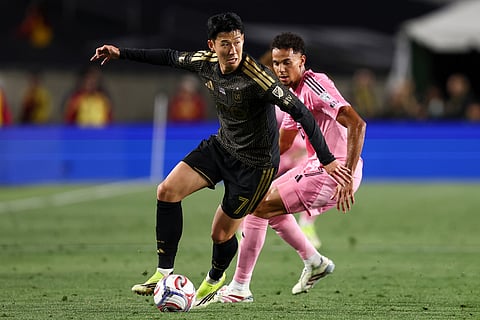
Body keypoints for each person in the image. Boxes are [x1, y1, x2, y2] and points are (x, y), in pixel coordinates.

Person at [90, 12, 352, 308]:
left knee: (220, 233)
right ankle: (163, 272)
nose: (233, 50)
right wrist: (120, 53)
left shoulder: (260, 78)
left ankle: (216, 280)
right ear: (212, 45)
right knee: (167, 191)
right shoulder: (206, 62)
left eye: (238, 42)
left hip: (255, 166)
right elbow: (169, 56)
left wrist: (328, 159)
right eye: (225, 43)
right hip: (223, 147)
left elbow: (301, 113)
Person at [217, 32, 366, 303]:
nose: (281, 69)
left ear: (302, 61)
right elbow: (283, 143)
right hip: (317, 168)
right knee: (259, 201)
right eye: (276, 63)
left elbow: (357, 123)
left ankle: (240, 287)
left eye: (287, 62)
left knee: (256, 207)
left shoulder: (316, 85)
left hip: (333, 172)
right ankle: (314, 261)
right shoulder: (288, 96)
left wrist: (347, 173)